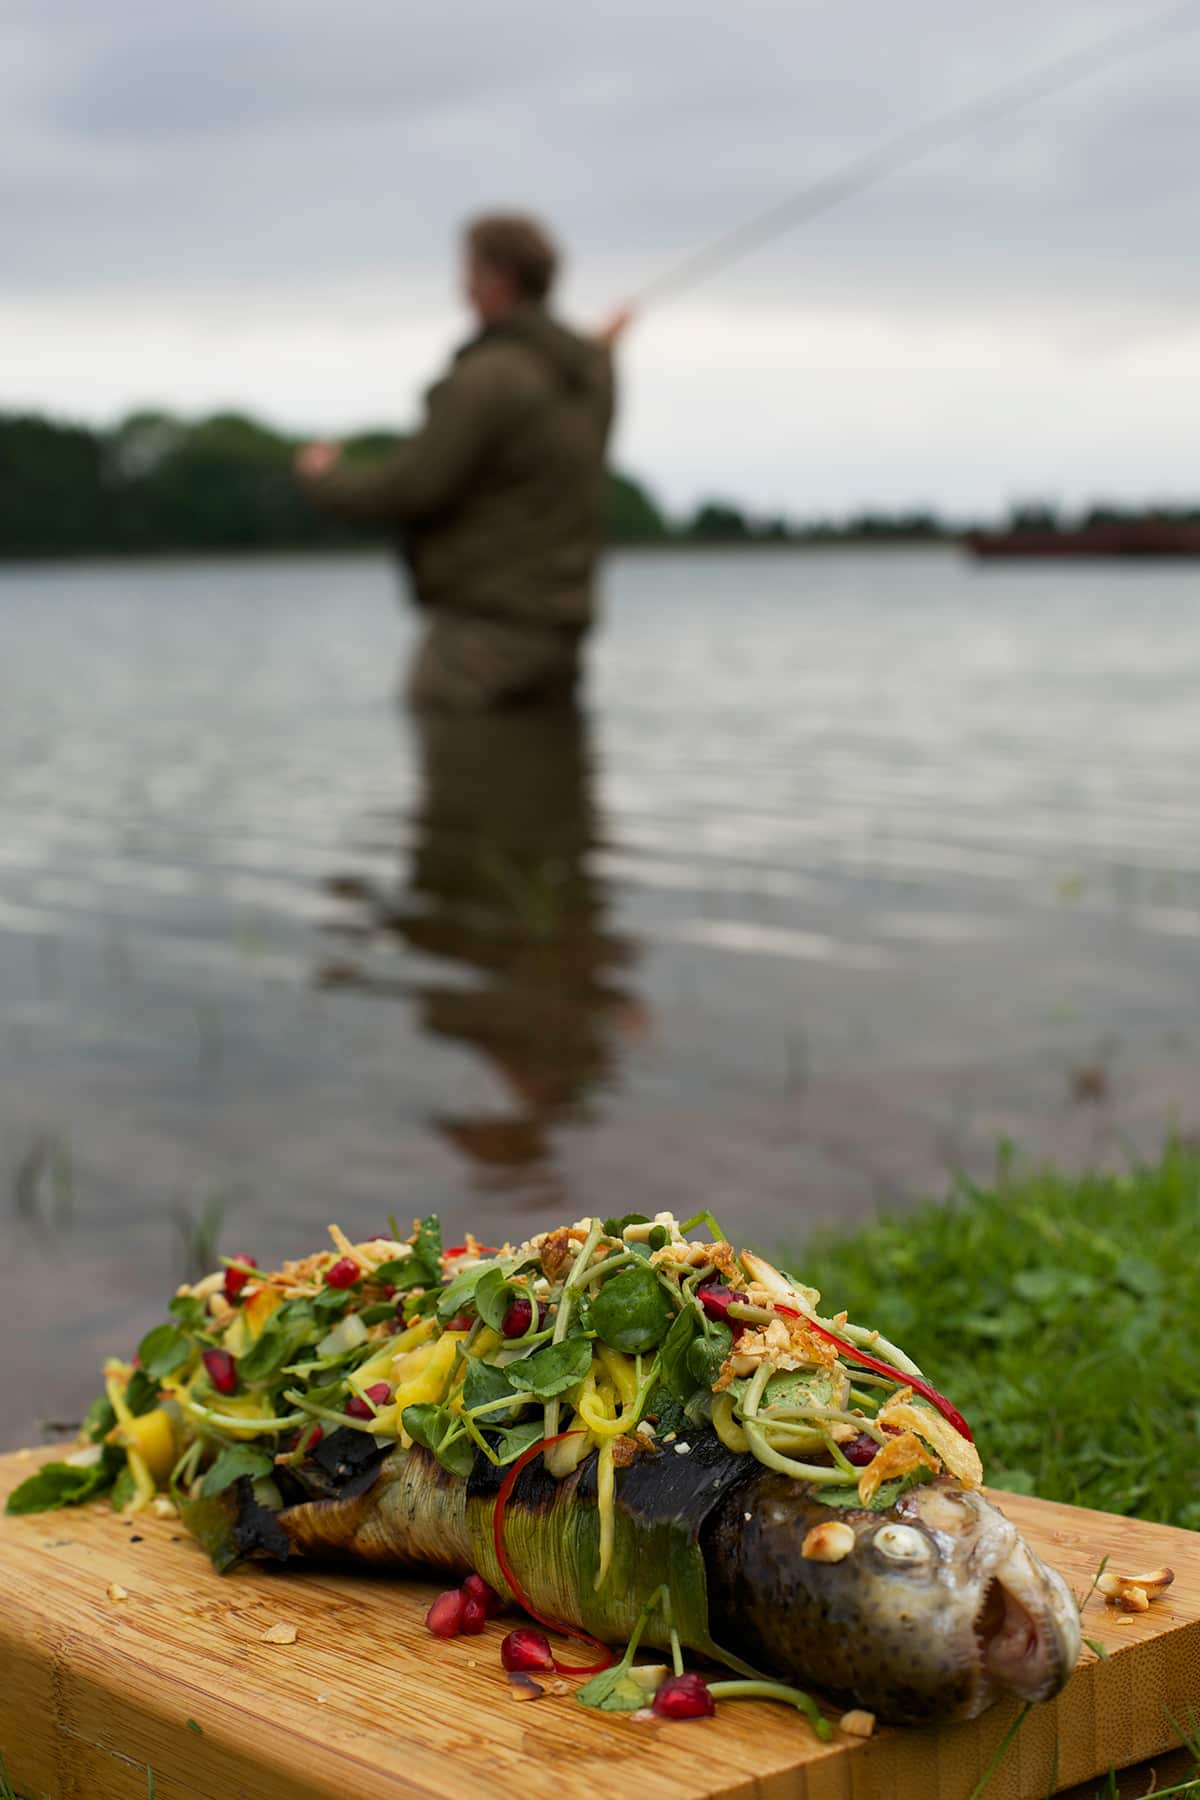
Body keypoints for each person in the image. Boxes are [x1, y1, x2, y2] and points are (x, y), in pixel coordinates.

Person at [295, 214, 630, 712]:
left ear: (499, 279)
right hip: (563, 630)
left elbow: (410, 489)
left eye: (469, 271)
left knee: (460, 776)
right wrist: (594, 350)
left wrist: (324, 479)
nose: (463, 285)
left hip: (482, 634)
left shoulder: (486, 376)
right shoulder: (591, 374)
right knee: (545, 784)